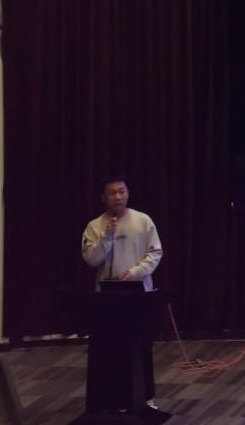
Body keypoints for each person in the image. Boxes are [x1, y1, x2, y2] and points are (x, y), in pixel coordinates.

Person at [80, 175, 163, 410]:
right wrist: (107, 236)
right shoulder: (95, 226)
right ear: (104, 197)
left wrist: (136, 272)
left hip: (138, 293)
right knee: (111, 349)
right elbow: (91, 259)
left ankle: (146, 397)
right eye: (112, 193)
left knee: (141, 346)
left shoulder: (143, 220)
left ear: (127, 193)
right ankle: (115, 400)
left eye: (122, 191)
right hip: (107, 297)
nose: (118, 196)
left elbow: (155, 252)